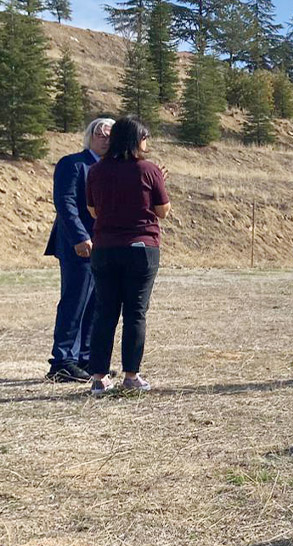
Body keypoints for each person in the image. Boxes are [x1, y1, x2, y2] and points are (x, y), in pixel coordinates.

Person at [84, 116, 168, 395]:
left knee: (104, 312)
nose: (148, 143)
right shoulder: (148, 169)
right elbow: (163, 210)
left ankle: (98, 377)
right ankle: (131, 375)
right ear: (136, 140)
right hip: (140, 249)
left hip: (105, 248)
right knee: (135, 313)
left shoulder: (96, 170)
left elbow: (93, 211)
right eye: (145, 137)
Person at [44, 117, 113, 383]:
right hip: (78, 245)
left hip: (105, 245)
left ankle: (86, 358)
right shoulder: (72, 163)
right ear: (90, 136)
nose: (106, 139)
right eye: (102, 134)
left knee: (96, 303)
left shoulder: (112, 168)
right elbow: (65, 203)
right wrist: (80, 237)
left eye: (111, 135)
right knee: (75, 301)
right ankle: (62, 362)